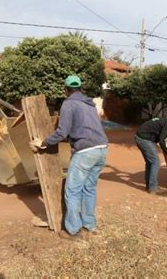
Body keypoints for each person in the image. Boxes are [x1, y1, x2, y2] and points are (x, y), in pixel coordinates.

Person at [30, 75, 108, 238]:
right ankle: (90, 225)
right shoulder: (90, 104)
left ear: (65, 90)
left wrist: (43, 143)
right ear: (80, 88)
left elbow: (62, 132)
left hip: (85, 151)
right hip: (102, 148)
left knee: (72, 190)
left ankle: (72, 230)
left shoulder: (69, 103)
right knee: (89, 188)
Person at [135, 110, 167, 194]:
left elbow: (159, 137)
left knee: (150, 162)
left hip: (139, 137)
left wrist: (164, 144)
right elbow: (162, 141)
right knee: (156, 162)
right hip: (145, 139)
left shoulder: (162, 119)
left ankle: (149, 185)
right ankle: (153, 188)